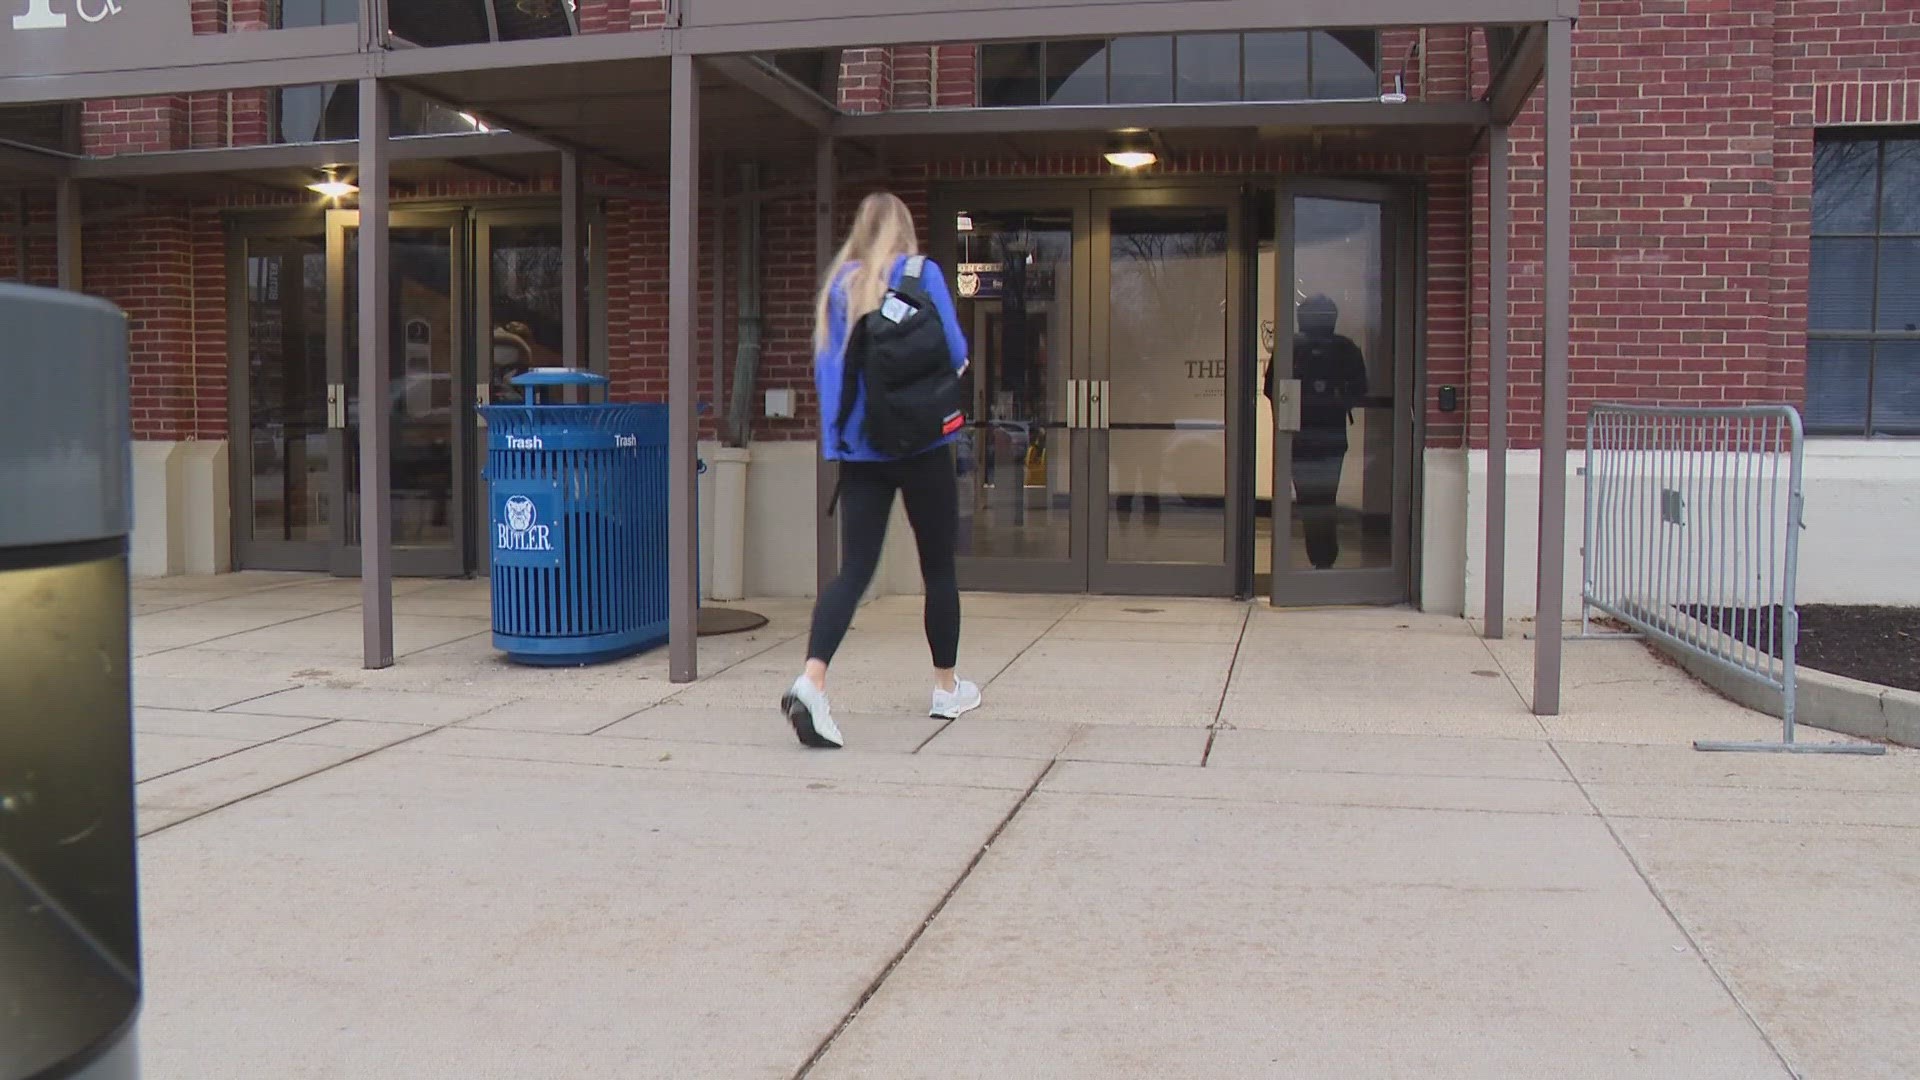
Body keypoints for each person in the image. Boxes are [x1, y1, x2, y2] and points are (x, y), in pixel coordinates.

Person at [781, 192, 983, 750]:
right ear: (904, 230)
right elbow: (957, 350)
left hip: (860, 452)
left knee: (854, 570)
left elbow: (830, 375)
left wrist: (838, 443)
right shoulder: (921, 273)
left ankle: (811, 681)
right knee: (938, 568)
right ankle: (947, 688)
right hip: (921, 446)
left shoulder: (837, 288)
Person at [1264, 294, 1369, 570]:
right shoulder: (1332, 348)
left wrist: (1329, 396)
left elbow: (1358, 390)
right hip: (1312, 435)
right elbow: (1273, 389)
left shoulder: (1298, 348)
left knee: (1315, 500)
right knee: (1320, 499)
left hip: (1312, 435)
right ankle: (1322, 558)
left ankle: (1322, 557)